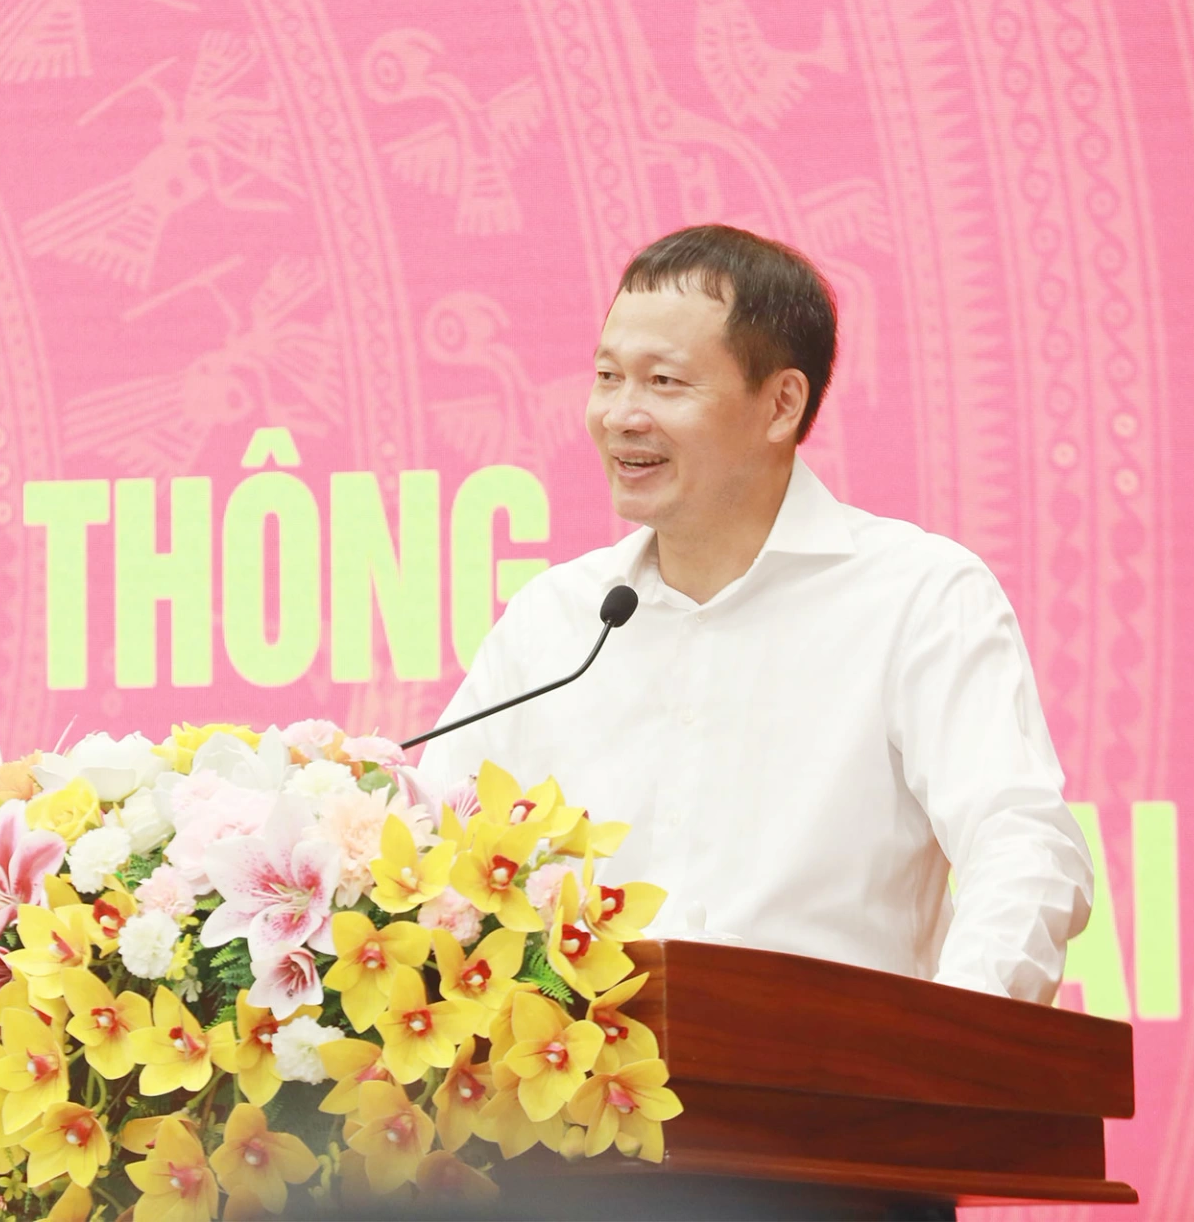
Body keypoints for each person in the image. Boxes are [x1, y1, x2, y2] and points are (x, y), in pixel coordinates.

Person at [418, 224, 1093, 1004]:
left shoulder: (917, 597)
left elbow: (1023, 846)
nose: (621, 414)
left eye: (664, 382)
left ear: (781, 403)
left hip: (835, 1074)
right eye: (608, 377)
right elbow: (435, 844)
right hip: (585, 1077)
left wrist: (957, 1048)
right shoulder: (557, 619)